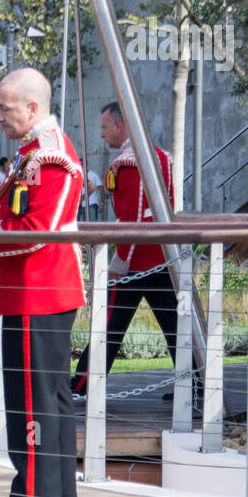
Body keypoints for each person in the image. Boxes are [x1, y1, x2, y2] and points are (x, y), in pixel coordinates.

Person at [0, 68, 85, 497]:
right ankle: (55, 493)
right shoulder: (33, 151)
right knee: (48, 395)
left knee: (32, 398)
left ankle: (34, 496)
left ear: (33, 108)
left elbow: (40, 231)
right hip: (33, 290)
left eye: (4, 108)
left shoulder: (49, 155)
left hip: (40, 289)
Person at [72, 101, 181, 397]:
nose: (103, 135)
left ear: (120, 126)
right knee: (175, 327)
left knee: (108, 325)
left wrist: (120, 261)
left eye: (105, 127)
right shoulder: (162, 157)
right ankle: (194, 385)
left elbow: (132, 219)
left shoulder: (128, 163)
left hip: (136, 259)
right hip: (162, 256)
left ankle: (82, 385)